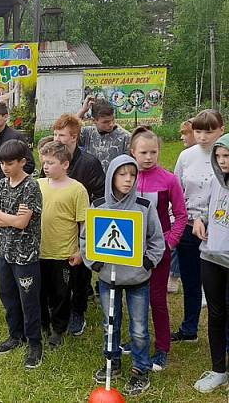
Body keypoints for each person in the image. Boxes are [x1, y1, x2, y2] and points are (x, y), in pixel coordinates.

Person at [81, 155, 165, 396]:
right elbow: (86, 238)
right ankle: (112, 361)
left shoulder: (144, 206)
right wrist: (94, 262)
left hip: (138, 279)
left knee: (139, 328)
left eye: (132, 175)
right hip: (108, 278)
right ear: (112, 176)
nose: (128, 179)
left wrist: (147, 262)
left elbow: (156, 239)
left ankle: (141, 369)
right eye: (122, 174)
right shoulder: (99, 207)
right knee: (110, 322)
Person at [129, 127, 188, 371]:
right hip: (131, 250)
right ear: (132, 152)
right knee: (134, 297)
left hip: (158, 250)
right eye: (143, 152)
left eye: (153, 152)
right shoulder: (126, 177)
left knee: (156, 299)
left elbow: (182, 215)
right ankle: (136, 339)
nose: (148, 157)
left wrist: (169, 242)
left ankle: (162, 347)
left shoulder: (169, 180)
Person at [0, 139, 43, 369]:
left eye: (10, 163)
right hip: (4, 253)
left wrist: (3, 215)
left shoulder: (31, 187)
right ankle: (15, 335)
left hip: (25, 255)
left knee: (28, 300)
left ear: (22, 161)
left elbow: (22, 223)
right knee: (8, 296)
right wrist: (9, 217)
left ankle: (34, 343)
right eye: (2, 163)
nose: (5, 167)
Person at [173, 109, 225, 342]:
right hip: (188, 226)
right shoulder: (186, 156)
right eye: (198, 131)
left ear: (221, 130)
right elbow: (177, 191)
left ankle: (223, 336)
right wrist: (184, 219)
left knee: (218, 285)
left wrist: (206, 219)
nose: (203, 137)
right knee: (190, 280)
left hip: (218, 228)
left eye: (209, 132)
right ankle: (189, 328)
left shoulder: (223, 156)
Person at [51, 113, 105, 336]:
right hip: (58, 224)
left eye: (61, 135)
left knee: (80, 271)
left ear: (74, 137)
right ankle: (57, 305)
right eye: (55, 134)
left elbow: (101, 196)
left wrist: (87, 218)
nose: (56, 139)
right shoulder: (51, 159)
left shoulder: (89, 163)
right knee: (57, 269)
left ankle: (78, 311)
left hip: (82, 224)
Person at [37, 141, 89, 349]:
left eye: (51, 163)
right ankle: (42, 323)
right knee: (41, 290)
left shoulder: (77, 190)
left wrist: (81, 250)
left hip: (64, 253)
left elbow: (84, 223)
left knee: (61, 293)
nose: (46, 167)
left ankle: (59, 328)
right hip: (40, 250)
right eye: (44, 162)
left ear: (65, 164)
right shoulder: (39, 185)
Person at [192, 133, 229, 392]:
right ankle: (218, 371)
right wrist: (199, 219)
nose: (222, 161)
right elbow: (206, 208)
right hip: (211, 257)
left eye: (227, 156)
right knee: (216, 314)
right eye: (218, 156)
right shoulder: (215, 180)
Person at [168, 118, 197, 293]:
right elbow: (177, 183)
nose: (182, 137)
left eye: (186, 133)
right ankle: (173, 276)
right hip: (182, 209)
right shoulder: (184, 157)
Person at [0, 102, 35, 196]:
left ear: (5, 117)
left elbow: (29, 163)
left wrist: (15, 179)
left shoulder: (16, 137)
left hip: (13, 186)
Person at [77, 97, 131, 172]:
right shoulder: (87, 133)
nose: (111, 124)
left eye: (112, 119)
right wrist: (82, 111)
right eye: (105, 122)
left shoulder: (126, 137)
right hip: (91, 178)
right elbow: (67, 131)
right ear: (94, 120)